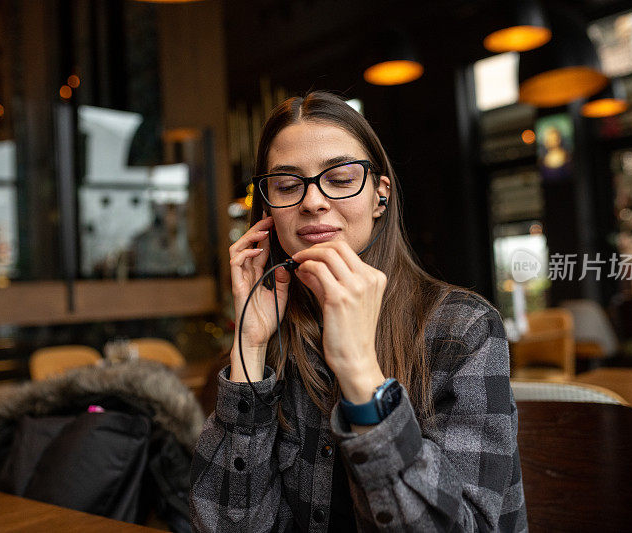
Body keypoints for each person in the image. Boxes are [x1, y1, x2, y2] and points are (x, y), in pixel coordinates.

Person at [189, 91, 527, 532]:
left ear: (379, 196)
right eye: (288, 186)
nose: (312, 201)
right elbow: (223, 526)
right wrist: (250, 345)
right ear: (269, 208)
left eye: (342, 178)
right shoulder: (271, 335)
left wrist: (359, 370)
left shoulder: (462, 329)